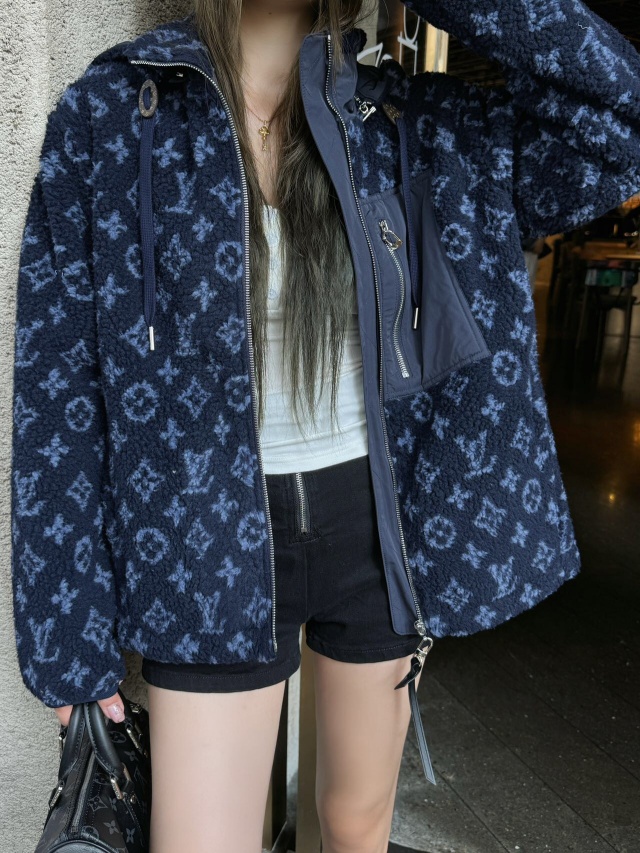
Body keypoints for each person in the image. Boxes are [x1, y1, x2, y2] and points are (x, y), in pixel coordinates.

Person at [10, 0, 640, 850]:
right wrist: (67, 639)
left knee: (354, 824)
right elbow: (57, 386)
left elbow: (616, 129)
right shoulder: (116, 113)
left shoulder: (410, 121)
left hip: (376, 527)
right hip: (201, 540)